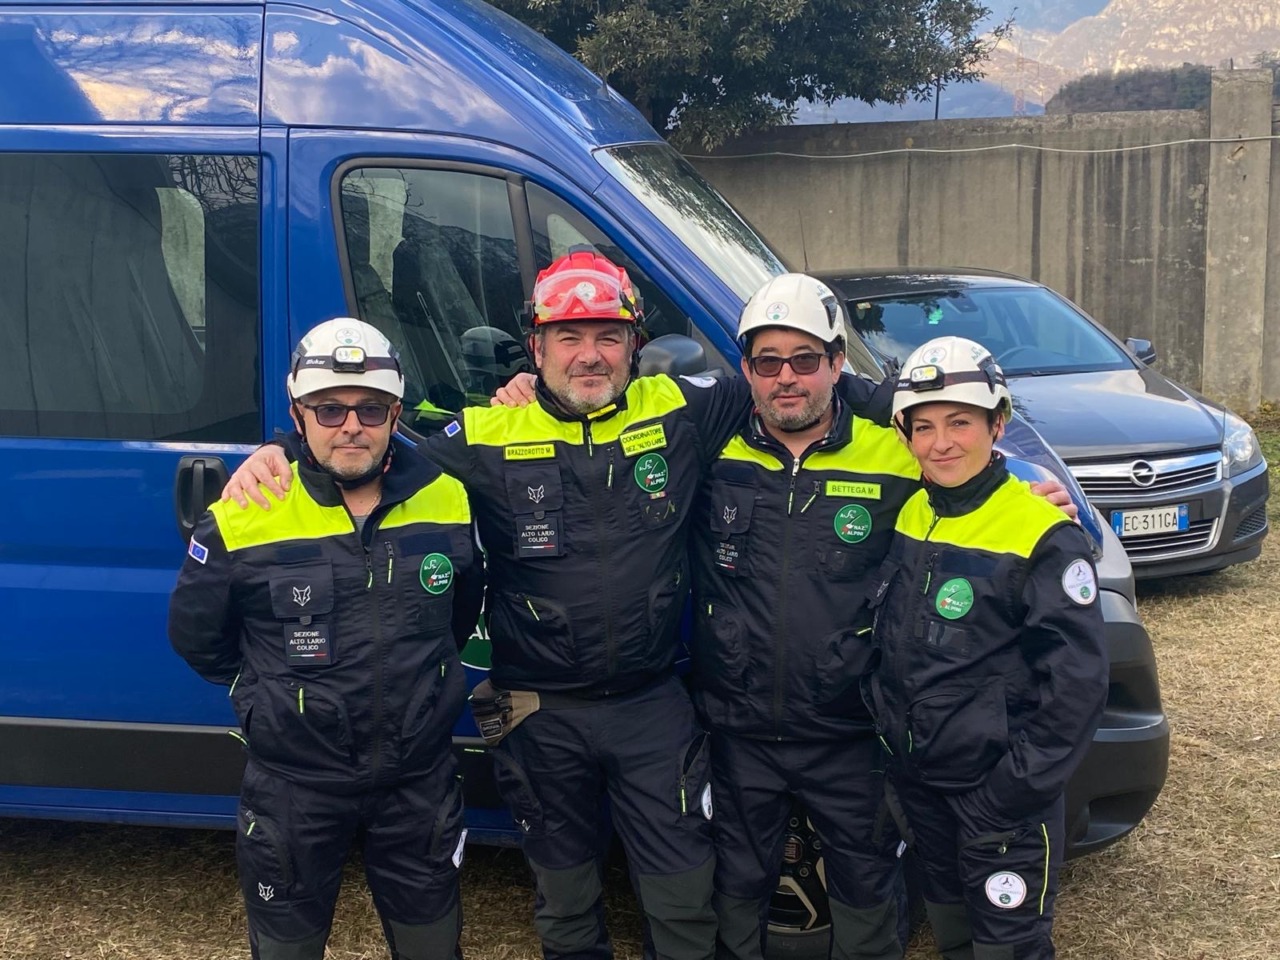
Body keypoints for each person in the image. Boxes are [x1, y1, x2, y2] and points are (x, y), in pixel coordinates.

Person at [221, 248, 775, 960]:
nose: (590, 355)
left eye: (608, 335)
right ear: (536, 346)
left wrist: (907, 404)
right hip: (539, 713)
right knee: (566, 905)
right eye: (568, 337)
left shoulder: (681, 410)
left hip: (652, 708)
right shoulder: (481, 435)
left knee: (683, 898)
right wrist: (282, 448)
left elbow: (794, 380)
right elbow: (363, 445)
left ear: (636, 344)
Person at [169, 318, 481, 960]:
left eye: (370, 408)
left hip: (416, 784)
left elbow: (459, 616)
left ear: (396, 413)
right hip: (292, 791)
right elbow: (198, 637)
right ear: (298, 413)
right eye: (329, 408)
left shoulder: (449, 498)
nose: (350, 425)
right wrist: (266, 696)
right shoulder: (244, 511)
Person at [688, 274, 918, 960]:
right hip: (736, 731)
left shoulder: (895, 448)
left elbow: (968, 469)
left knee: (868, 897)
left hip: (850, 732)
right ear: (746, 371)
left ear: (838, 363)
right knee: (734, 895)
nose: (786, 378)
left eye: (805, 359)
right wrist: (525, 389)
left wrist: (1029, 486)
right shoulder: (706, 445)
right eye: (768, 362)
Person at [864, 336, 1108, 960]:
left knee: (1009, 949)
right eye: (922, 427)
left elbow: (1075, 686)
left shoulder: (1043, 532)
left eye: (959, 422)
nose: (940, 442)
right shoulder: (913, 512)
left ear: (997, 424)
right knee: (954, 936)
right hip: (923, 788)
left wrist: (1009, 793)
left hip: (999, 800)